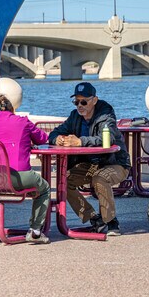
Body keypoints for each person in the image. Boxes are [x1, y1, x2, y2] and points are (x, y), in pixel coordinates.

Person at [49, 82, 130, 236]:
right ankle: (94, 218)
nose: (80, 105)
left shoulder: (106, 116)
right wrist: (57, 138)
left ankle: (111, 221)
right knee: (64, 182)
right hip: (90, 164)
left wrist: (80, 141)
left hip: (115, 162)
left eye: (84, 101)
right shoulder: (75, 116)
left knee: (100, 178)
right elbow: (54, 133)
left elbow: (107, 138)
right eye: (76, 102)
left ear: (94, 100)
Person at [0, 95, 51, 244]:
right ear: (12, 109)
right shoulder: (22, 121)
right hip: (17, 176)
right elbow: (42, 138)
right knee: (44, 189)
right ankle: (35, 231)